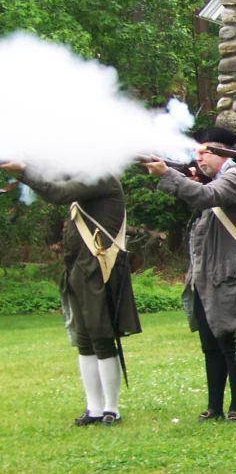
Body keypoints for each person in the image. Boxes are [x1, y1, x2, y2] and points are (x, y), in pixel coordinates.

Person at [2, 162, 141, 427]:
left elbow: (58, 193)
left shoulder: (102, 176)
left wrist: (23, 169)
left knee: (101, 339)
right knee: (84, 341)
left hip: (98, 271)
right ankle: (94, 408)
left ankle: (111, 408)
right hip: (79, 269)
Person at [142, 127, 236, 422]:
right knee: (210, 345)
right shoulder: (217, 180)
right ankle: (214, 407)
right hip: (205, 276)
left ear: (220, 152)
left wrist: (167, 175)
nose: (198, 159)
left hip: (226, 275)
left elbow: (204, 196)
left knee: (229, 342)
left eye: (203, 153)